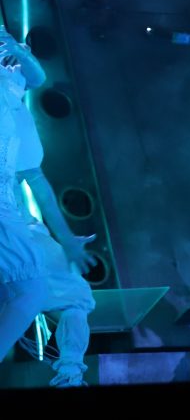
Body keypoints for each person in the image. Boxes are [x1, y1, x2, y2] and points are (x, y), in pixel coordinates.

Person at [0, 26, 96, 386]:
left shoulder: (18, 118)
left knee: (73, 293)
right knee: (30, 291)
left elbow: (37, 182)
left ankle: (69, 369)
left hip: (16, 217)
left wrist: (67, 240)